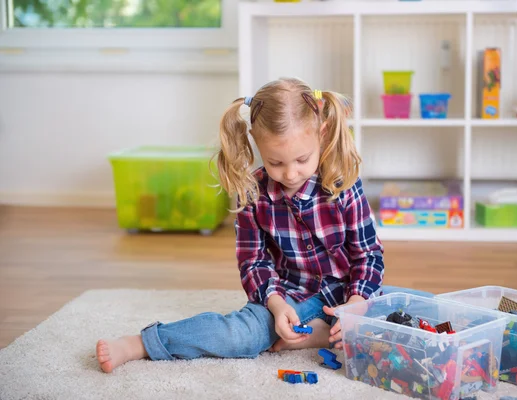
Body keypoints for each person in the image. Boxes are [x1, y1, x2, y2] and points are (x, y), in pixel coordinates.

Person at [96, 77, 432, 373]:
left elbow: (368, 254)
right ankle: (142, 343)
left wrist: (358, 303)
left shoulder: (343, 184)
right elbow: (253, 262)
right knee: (238, 335)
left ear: (322, 134)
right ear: (257, 142)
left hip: (347, 295)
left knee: (411, 309)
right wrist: (275, 304)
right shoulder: (253, 194)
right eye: (276, 162)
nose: (290, 173)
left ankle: (315, 334)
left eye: (302, 159)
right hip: (288, 297)